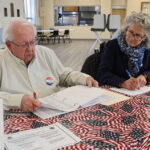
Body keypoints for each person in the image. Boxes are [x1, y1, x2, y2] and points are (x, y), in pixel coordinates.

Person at [1, 17, 98, 112]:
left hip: (54, 111)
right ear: (9, 45)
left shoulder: (46, 53)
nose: (30, 49)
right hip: (18, 119)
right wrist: (17, 101)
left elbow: (64, 75)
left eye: (32, 42)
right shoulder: (2, 61)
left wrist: (83, 78)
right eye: (23, 44)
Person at [98, 12, 150, 90]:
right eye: (131, 32)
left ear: (144, 37)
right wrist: (122, 83)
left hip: (138, 91)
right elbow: (103, 73)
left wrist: (144, 76)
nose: (132, 38)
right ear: (126, 29)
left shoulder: (147, 49)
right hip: (117, 91)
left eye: (138, 35)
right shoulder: (113, 46)